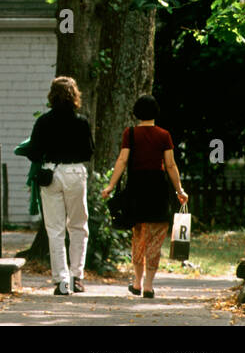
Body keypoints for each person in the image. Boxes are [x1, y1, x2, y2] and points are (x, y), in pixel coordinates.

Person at [101, 95, 188, 298]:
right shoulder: (164, 135)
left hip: (136, 190)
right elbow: (170, 165)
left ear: (136, 113)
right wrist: (179, 190)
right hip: (157, 189)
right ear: (156, 112)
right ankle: (149, 285)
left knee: (138, 237)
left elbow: (122, 160)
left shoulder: (130, 133)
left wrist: (111, 186)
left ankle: (137, 283)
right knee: (155, 238)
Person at [26, 76, 94, 295]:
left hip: (51, 173)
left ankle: (62, 282)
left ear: (52, 95)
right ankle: (77, 277)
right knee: (78, 227)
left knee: (55, 230)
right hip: (75, 172)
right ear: (75, 96)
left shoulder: (44, 122)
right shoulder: (81, 122)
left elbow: (34, 152)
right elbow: (88, 153)